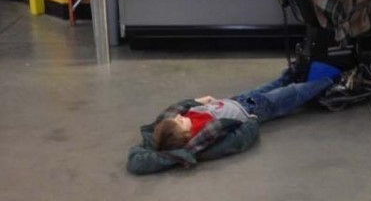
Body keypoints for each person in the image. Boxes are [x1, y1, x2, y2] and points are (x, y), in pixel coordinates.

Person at [127, 67, 337, 175]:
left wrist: (197, 101)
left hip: (236, 100)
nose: (181, 117)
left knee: (274, 84)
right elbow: (237, 141)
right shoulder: (202, 144)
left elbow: (172, 113)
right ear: (186, 136)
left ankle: (294, 73)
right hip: (251, 110)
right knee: (291, 94)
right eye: (181, 122)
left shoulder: (170, 127)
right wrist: (252, 122)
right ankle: (333, 80)